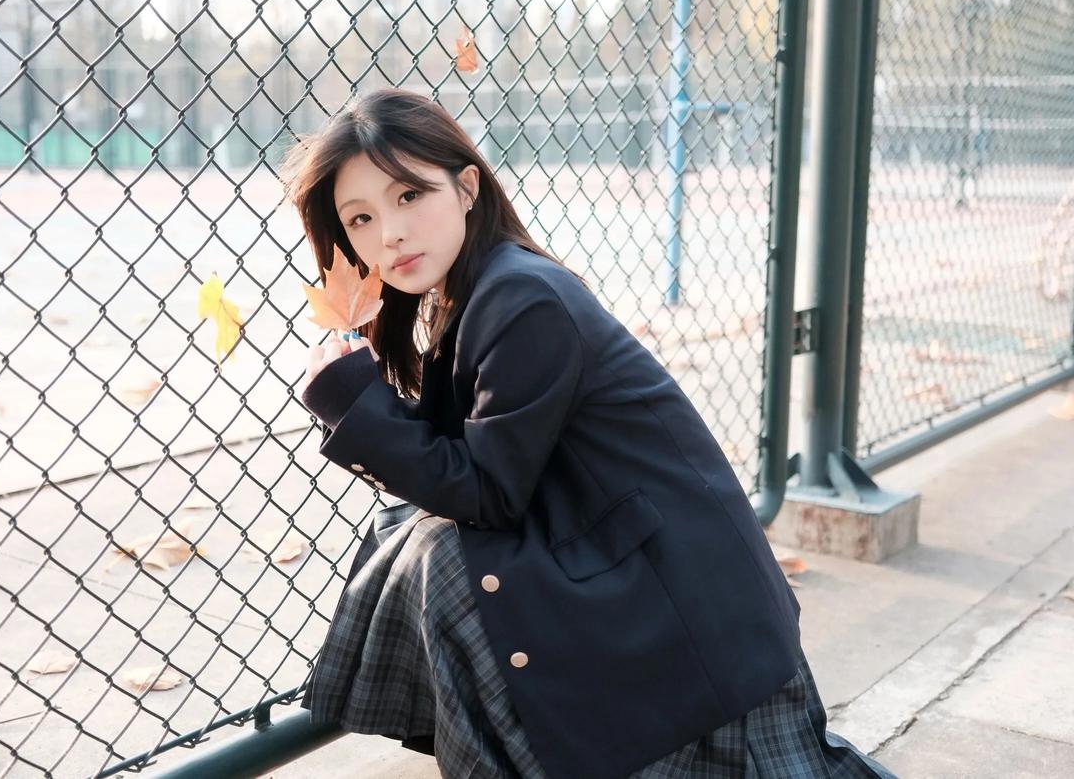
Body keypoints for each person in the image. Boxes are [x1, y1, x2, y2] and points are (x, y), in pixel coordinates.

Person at [286, 87, 897, 779]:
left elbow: (486, 491)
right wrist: (361, 397)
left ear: (466, 188)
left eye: (408, 195)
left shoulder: (521, 297)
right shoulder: (475, 293)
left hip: (685, 607)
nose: (389, 233)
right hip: (629, 566)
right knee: (426, 541)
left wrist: (356, 404)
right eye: (360, 218)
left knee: (443, 558)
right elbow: (467, 470)